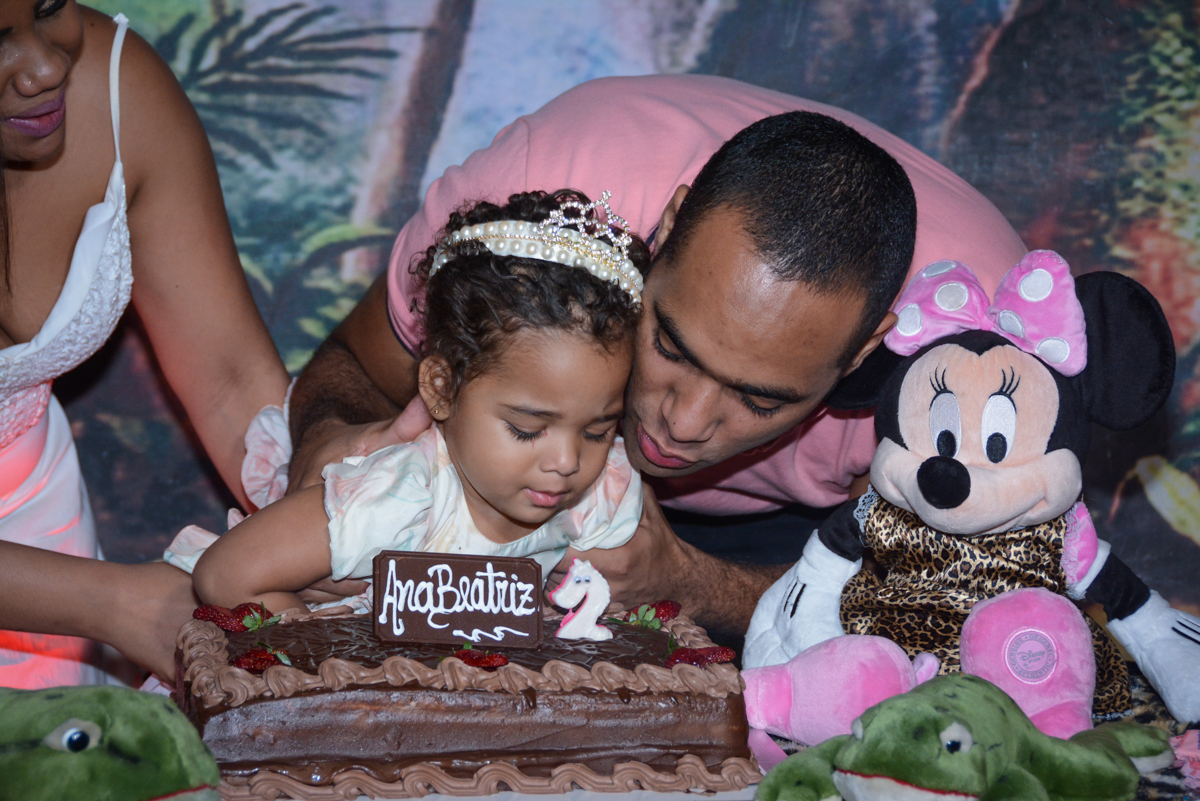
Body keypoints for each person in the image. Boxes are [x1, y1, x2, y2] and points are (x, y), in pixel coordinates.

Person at [281, 75, 1027, 637]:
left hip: (805, 541)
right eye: (671, 344)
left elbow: (939, 596)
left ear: (869, 351)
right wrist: (323, 441)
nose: (682, 422)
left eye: (761, 398)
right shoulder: (552, 191)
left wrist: (696, 584)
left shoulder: (981, 363)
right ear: (663, 230)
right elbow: (355, 360)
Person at [166, 190, 644, 615]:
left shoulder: (600, 496)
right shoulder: (399, 499)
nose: (567, 461)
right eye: (526, 428)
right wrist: (331, 666)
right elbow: (224, 576)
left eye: (597, 430)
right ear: (440, 388)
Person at [0, 1, 288, 687]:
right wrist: (113, 601)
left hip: (41, 530)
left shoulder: (115, 90)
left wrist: (326, 521)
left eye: (48, 8)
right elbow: (117, 603)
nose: (45, 67)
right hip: (80, 594)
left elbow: (229, 377)